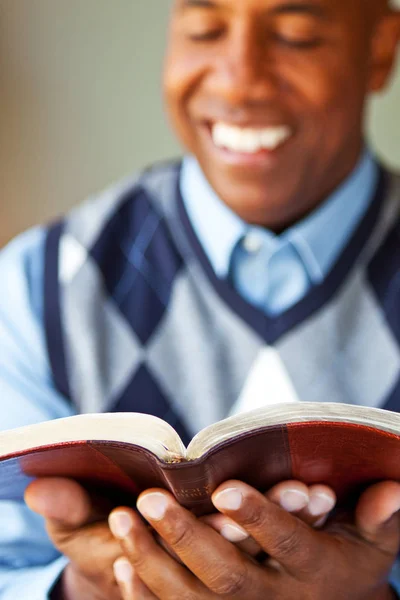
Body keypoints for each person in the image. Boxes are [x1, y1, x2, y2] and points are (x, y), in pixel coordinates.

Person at [0, 0, 399, 597]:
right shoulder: (40, 284)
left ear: (380, 50)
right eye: (204, 30)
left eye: (297, 35)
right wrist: (84, 588)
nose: (239, 81)